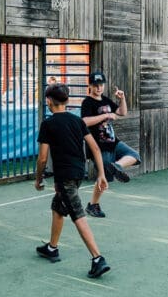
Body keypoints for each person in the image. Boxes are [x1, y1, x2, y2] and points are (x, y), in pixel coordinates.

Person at [35, 83, 111, 278]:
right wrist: (101, 173)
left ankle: (97, 258)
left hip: (65, 177)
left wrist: (38, 179)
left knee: (77, 214)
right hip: (78, 173)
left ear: (48, 101)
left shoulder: (48, 124)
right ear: (67, 101)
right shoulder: (77, 121)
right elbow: (94, 148)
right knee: (58, 206)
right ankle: (52, 247)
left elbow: (43, 158)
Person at [80, 70, 141, 218]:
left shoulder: (106, 100)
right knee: (104, 177)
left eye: (101, 85)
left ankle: (117, 166)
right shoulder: (87, 102)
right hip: (98, 146)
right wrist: (106, 115)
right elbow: (84, 121)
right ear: (90, 86)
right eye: (95, 85)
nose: (98, 88)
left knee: (134, 155)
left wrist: (122, 98)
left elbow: (122, 112)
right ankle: (93, 205)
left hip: (113, 142)